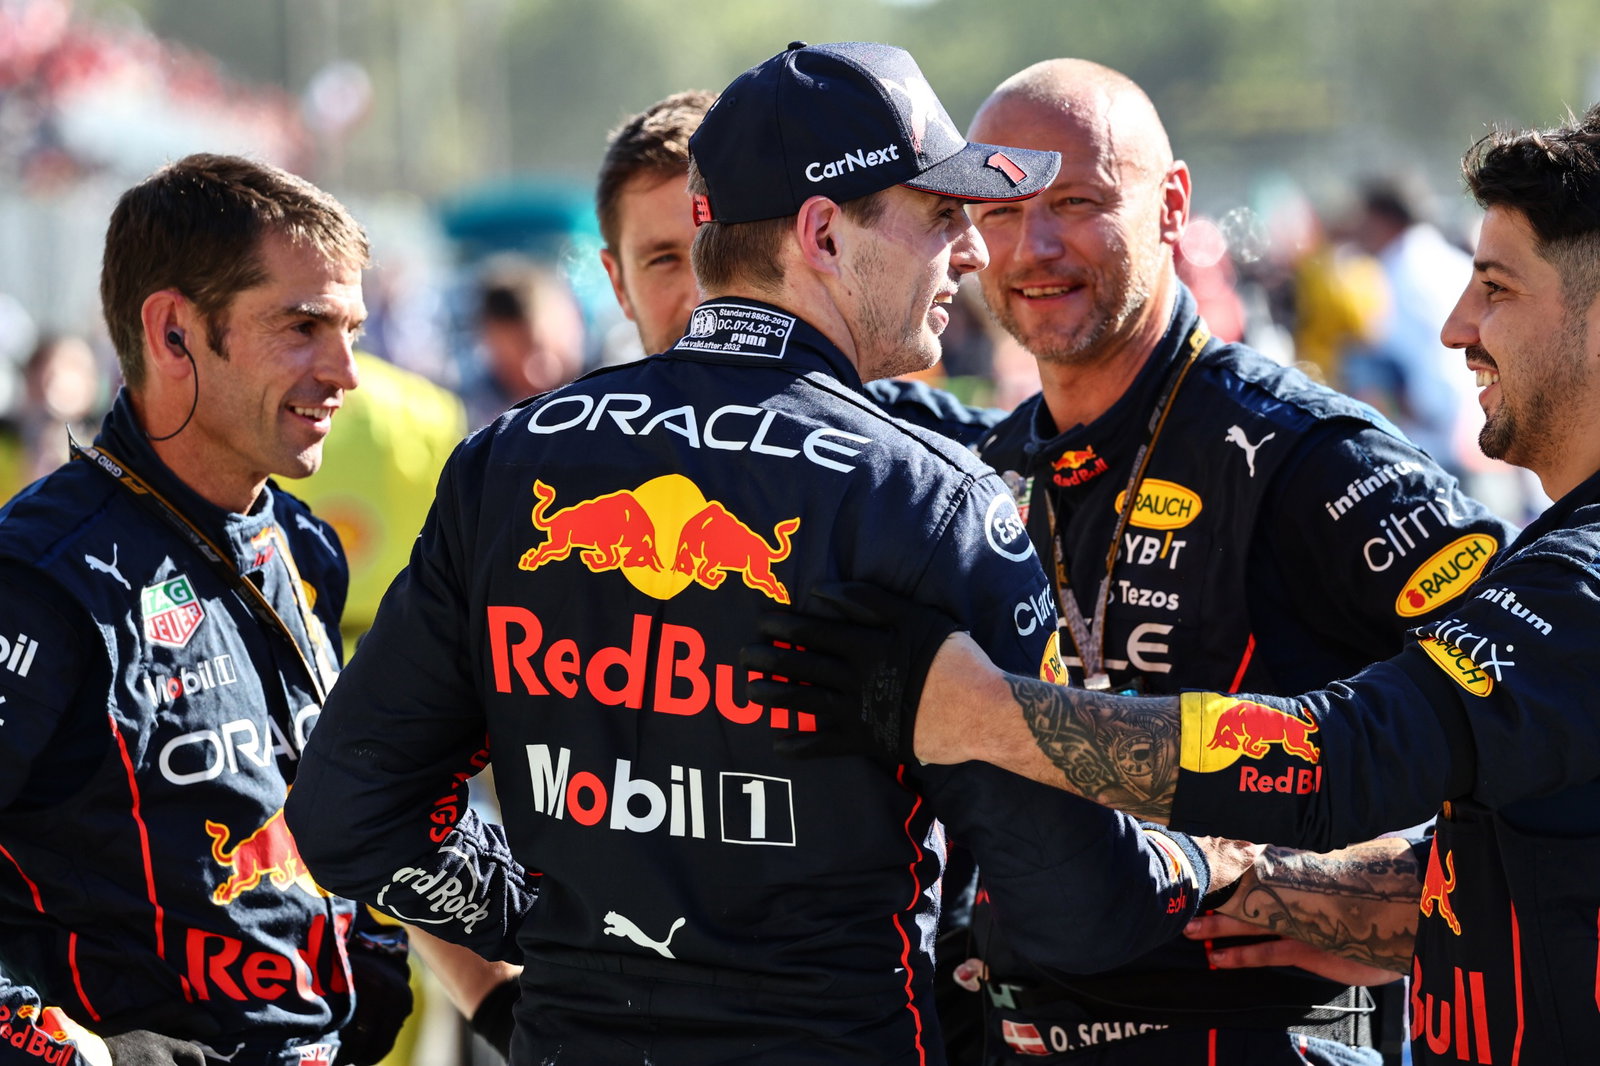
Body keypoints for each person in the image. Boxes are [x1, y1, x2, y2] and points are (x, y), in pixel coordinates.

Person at [285, 41, 1236, 1066]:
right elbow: (1074, 910)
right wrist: (1213, 862)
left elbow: (350, 814)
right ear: (823, 233)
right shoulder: (930, 502)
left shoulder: (510, 459)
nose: (969, 252)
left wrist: (563, 926)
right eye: (938, 215)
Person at [750, 100, 1600, 1066]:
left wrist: (985, 716)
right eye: (998, 209)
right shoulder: (982, 467)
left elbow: (1405, 738)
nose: (1032, 246)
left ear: (1170, 206)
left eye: (1075, 201)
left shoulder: (1307, 454)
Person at [0, 155, 412, 1065]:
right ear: (174, 333)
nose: (346, 371)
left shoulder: (300, 544)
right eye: (303, 326)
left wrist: (376, 957)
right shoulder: (40, 577)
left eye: (350, 328)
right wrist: (87, 1056)